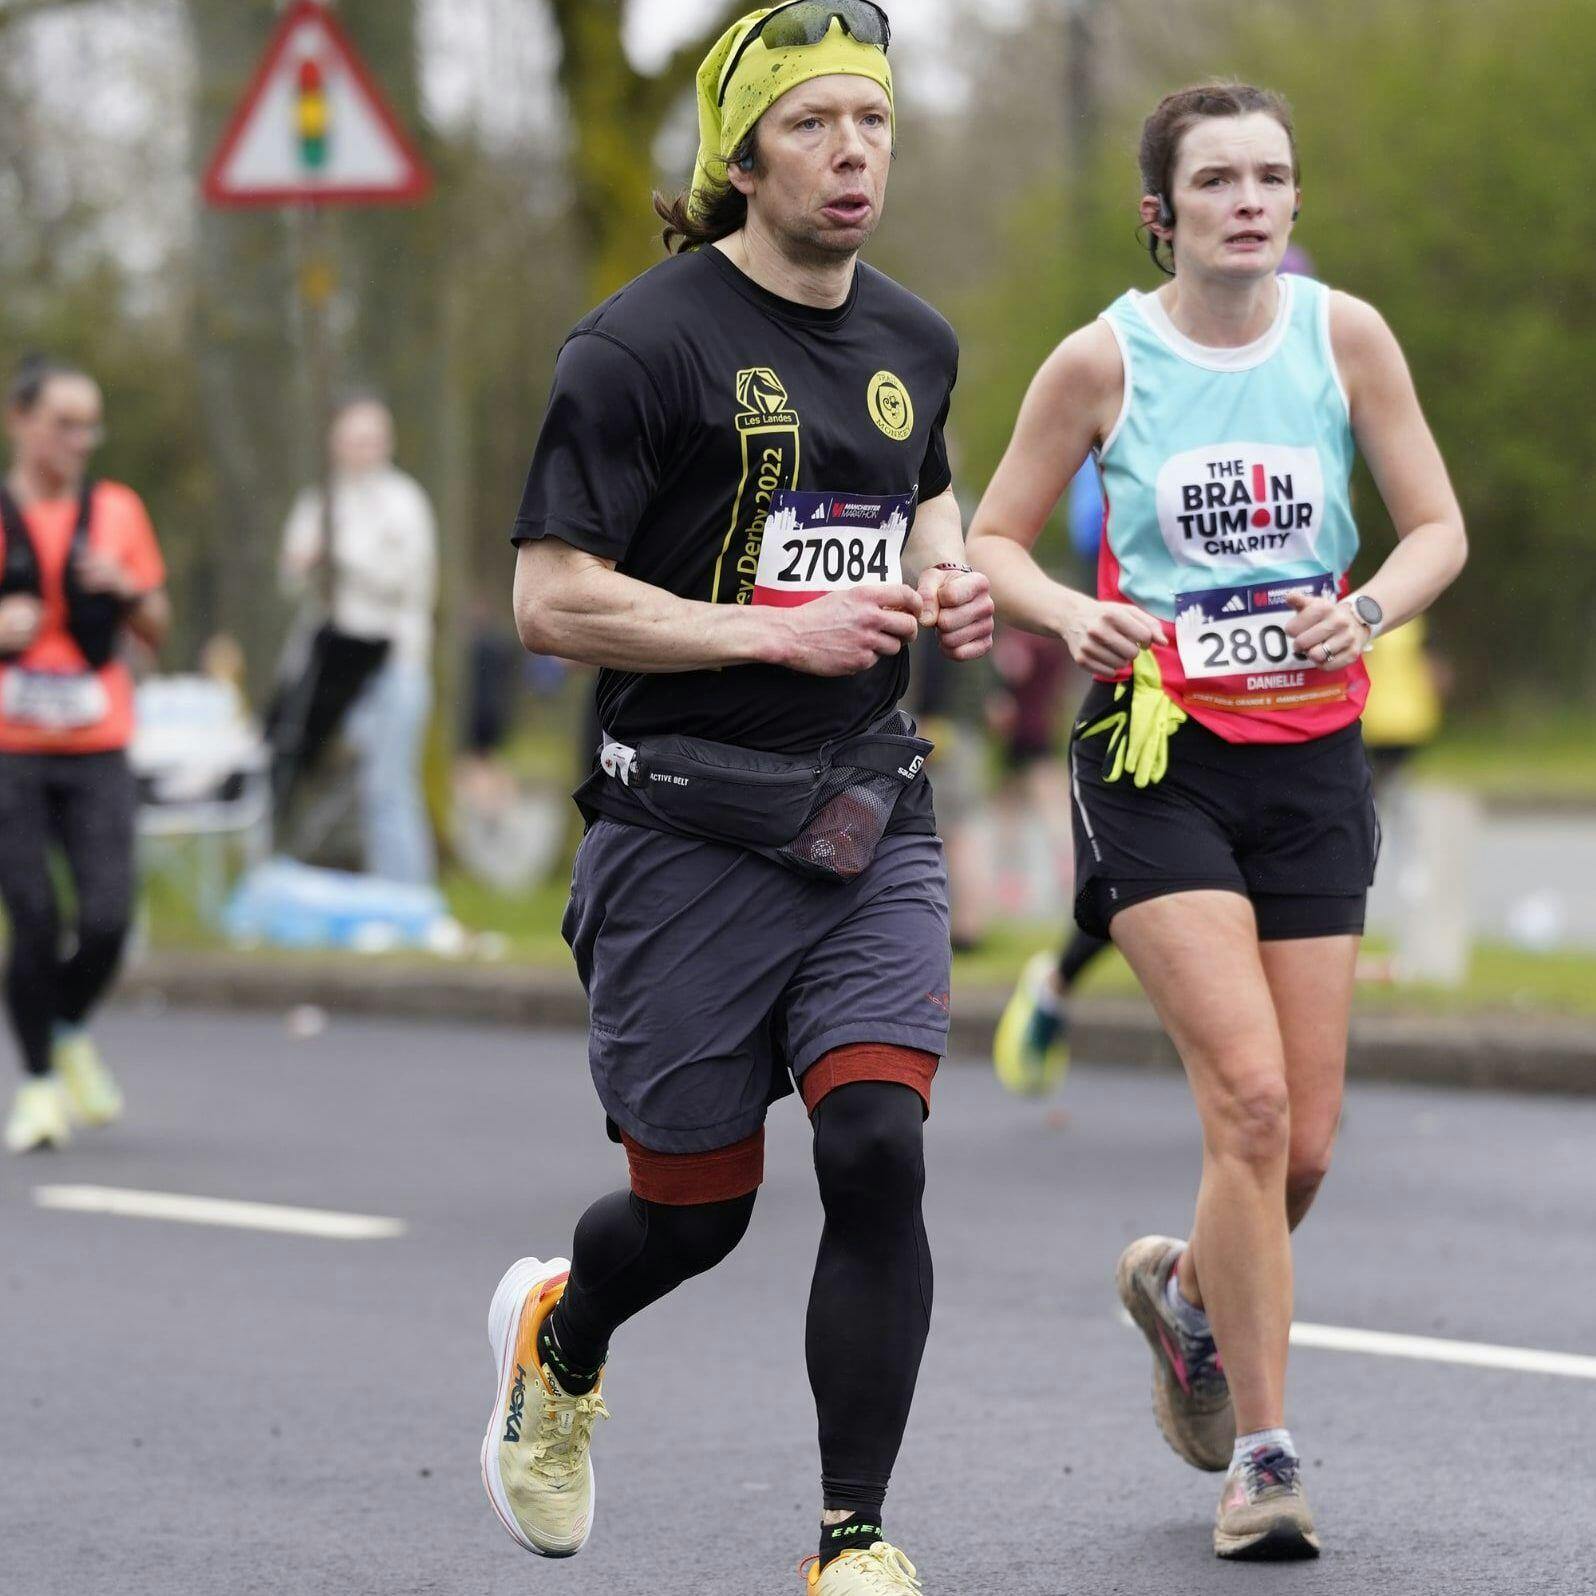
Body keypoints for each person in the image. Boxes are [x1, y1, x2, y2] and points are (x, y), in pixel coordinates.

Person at [483, 7, 993, 1592]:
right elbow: (550, 600)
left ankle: (853, 1539)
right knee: (694, 1214)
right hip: (683, 829)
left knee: (877, 1146)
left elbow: (925, 492)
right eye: (812, 124)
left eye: (873, 121)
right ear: (742, 157)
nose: (853, 153)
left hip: (863, 815)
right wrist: (772, 632)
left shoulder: (915, 340)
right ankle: (562, 1334)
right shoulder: (637, 348)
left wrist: (951, 575)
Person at [968, 83, 1466, 1560]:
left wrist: (1367, 610)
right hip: (1157, 757)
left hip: (1312, 764)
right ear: (1161, 212)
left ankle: (1186, 1291)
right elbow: (993, 538)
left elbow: (1436, 527)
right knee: (1245, 1104)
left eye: (1272, 177)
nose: (1250, 200)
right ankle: (1263, 1456)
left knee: (1301, 1147)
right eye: (1218, 180)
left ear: (1294, 202)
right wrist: (1070, 613)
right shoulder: (1102, 360)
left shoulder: (1345, 338)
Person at [994, 246, 1322, 1098]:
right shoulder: (1136, 362)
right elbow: (1089, 520)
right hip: (1156, 666)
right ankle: (1059, 982)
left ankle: (1260, 1069)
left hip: (1284, 703)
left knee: (1270, 880)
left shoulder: (1316, 354)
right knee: (1158, 864)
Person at [0, 356, 169, 1153]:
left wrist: (125, 587)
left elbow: (158, 625)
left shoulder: (118, 510)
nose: (79, 440)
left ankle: (65, 1025)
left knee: (108, 918)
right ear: (20, 421)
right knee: (34, 919)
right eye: (62, 424)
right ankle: (38, 1085)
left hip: (99, 741)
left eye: (89, 426)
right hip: (11, 750)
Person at [278, 396, 437, 885]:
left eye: (371, 440)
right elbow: (290, 581)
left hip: (394, 663)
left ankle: (408, 898)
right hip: (331, 668)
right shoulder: (318, 502)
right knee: (321, 781)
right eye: (353, 440)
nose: (363, 450)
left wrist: (339, 556)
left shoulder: (405, 503)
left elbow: (407, 583)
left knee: (389, 787)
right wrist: (305, 565)